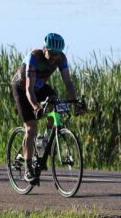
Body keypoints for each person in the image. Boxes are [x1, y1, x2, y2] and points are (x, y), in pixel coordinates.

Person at [11, 32, 80, 183]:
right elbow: (29, 88)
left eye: (58, 54)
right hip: (22, 90)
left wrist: (74, 101)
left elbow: (67, 81)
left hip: (41, 87)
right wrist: (35, 106)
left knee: (55, 102)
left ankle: (43, 141)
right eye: (52, 53)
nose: (55, 57)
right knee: (30, 129)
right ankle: (28, 169)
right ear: (45, 49)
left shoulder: (61, 58)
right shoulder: (34, 57)